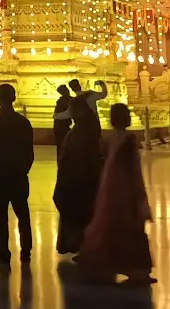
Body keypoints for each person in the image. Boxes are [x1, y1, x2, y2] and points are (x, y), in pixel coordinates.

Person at [79, 103, 154, 285]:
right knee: (132, 229)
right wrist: (139, 194)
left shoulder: (110, 138)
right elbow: (131, 170)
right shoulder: (128, 139)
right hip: (125, 191)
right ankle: (137, 270)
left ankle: (110, 264)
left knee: (111, 227)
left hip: (110, 189)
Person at [0, 84, 34, 266]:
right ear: (14, 97)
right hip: (18, 175)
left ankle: (4, 252)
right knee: (23, 213)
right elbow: (29, 152)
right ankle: (26, 250)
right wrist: (22, 169)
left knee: (0, 216)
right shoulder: (23, 123)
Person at [53, 97, 103, 255]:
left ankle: (83, 246)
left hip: (78, 182)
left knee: (79, 216)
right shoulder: (86, 130)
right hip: (83, 181)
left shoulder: (81, 133)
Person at [51, 84, 72, 155]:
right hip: (62, 125)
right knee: (63, 144)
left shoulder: (62, 100)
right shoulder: (65, 100)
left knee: (61, 145)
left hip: (60, 125)